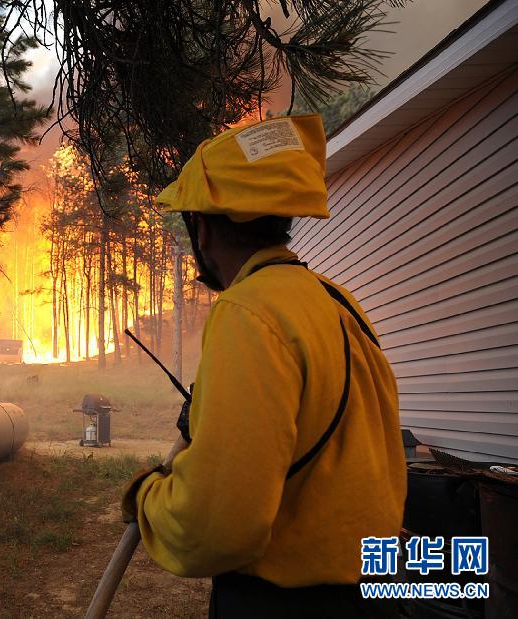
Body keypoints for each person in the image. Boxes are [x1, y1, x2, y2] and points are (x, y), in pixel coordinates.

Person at [121, 115, 406, 618]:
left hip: (288, 604)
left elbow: (217, 523)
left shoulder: (248, 312)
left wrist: (147, 498)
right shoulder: (339, 302)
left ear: (202, 229)